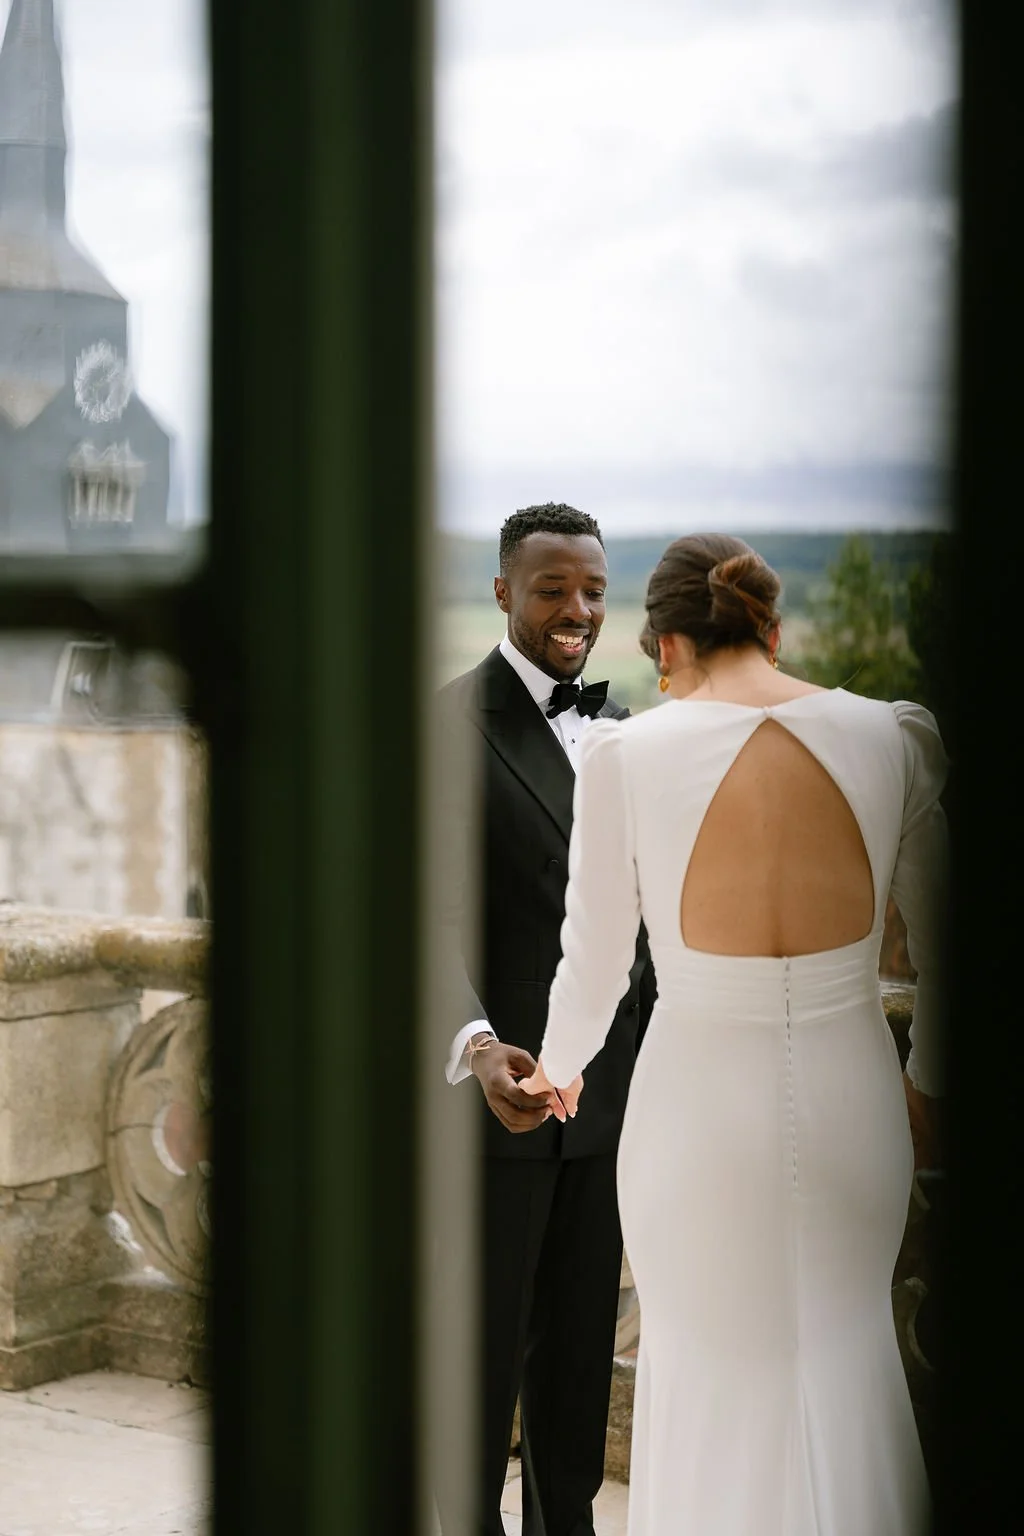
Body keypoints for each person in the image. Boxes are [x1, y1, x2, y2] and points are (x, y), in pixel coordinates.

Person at [523, 533, 946, 1536]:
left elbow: (591, 969)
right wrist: (927, 1083)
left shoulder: (625, 754)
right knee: (848, 1359)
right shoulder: (892, 737)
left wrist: (559, 1073)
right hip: (854, 1102)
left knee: (705, 1372)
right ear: (772, 627)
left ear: (663, 649)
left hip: (695, 1110)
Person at [436, 503, 656, 1536]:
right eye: (552, 588)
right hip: (501, 1106)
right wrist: (476, 1048)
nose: (578, 610)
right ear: (501, 593)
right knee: (474, 1368)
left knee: (576, 1364)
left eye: (594, 591)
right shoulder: (441, 726)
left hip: (608, 1105)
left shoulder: (621, 733)